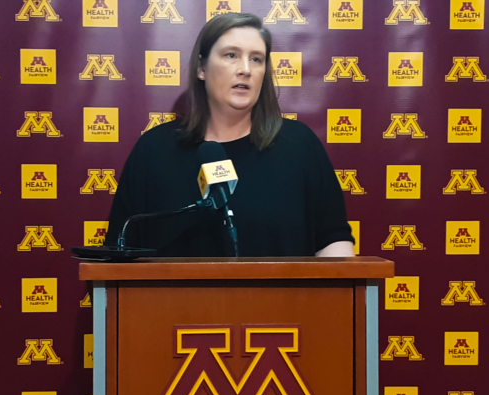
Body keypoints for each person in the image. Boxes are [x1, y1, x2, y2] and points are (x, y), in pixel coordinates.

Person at [104, 13, 355, 257]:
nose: (245, 69)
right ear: (201, 68)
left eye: (256, 59)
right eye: (231, 55)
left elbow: (333, 242)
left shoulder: (299, 146)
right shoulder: (154, 150)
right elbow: (120, 249)